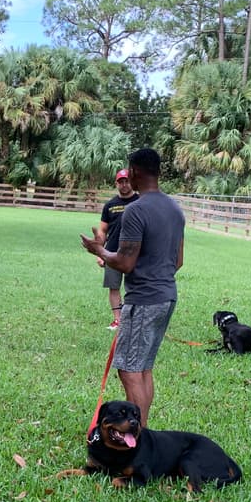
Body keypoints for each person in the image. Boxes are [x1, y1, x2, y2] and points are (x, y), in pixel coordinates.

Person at [80, 148, 184, 428]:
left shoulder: (136, 210)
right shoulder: (175, 209)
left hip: (144, 301)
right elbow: (179, 261)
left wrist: (99, 250)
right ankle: (144, 433)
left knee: (128, 369)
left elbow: (125, 263)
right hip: (167, 297)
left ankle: (138, 437)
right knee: (144, 367)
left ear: (135, 172)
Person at [94, 168, 139, 328]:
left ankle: (133, 319)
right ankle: (118, 319)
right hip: (112, 252)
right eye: (121, 182)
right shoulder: (110, 205)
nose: (125, 184)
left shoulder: (140, 202)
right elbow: (103, 231)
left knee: (135, 286)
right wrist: (100, 252)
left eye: (127, 181)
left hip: (135, 253)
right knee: (114, 286)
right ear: (116, 184)